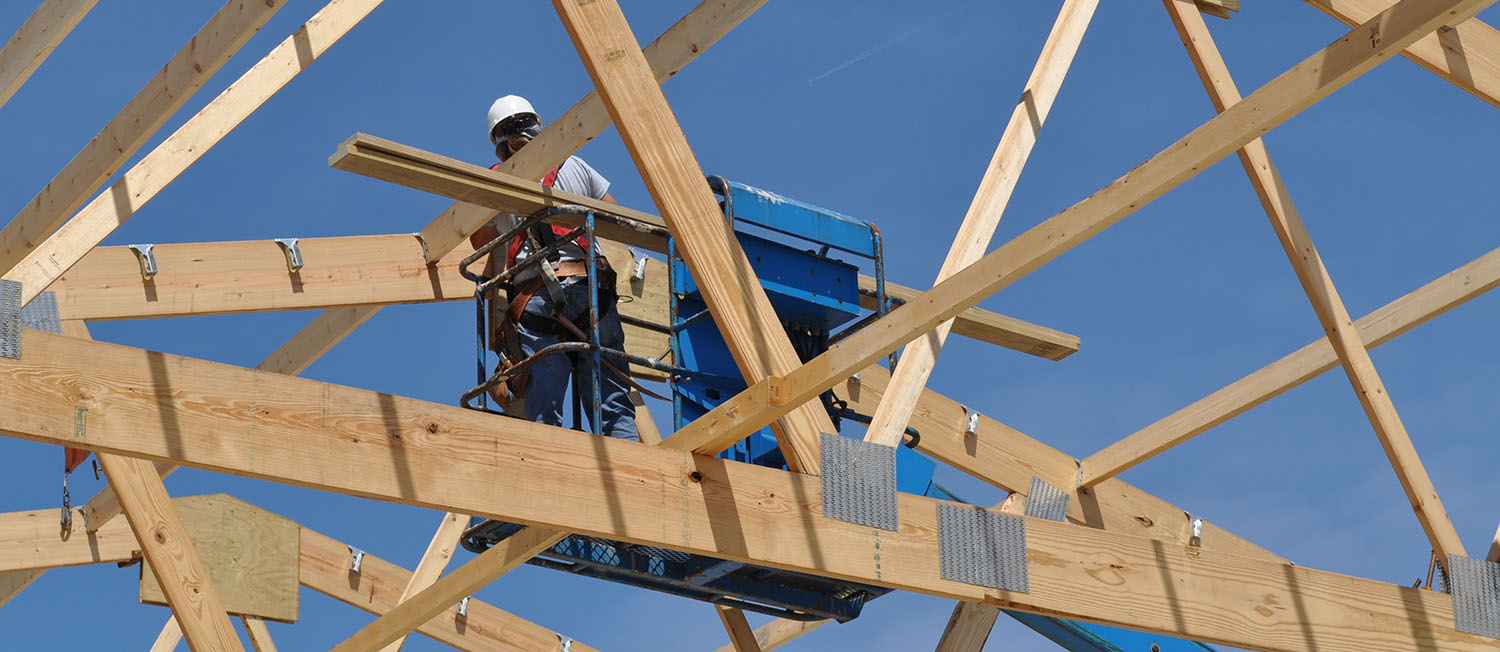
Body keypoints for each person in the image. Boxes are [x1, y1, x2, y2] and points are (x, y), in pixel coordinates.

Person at [470, 95, 639, 442]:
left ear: (498, 143)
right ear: (537, 125)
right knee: (612, 402)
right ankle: (632, 467)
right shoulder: (574, 164)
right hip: (594, 293)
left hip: (538, 300)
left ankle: (549, 464)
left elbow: (477, 239)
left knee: (544, 407)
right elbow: (615, 217)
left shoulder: (498, 179)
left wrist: (507, 219)